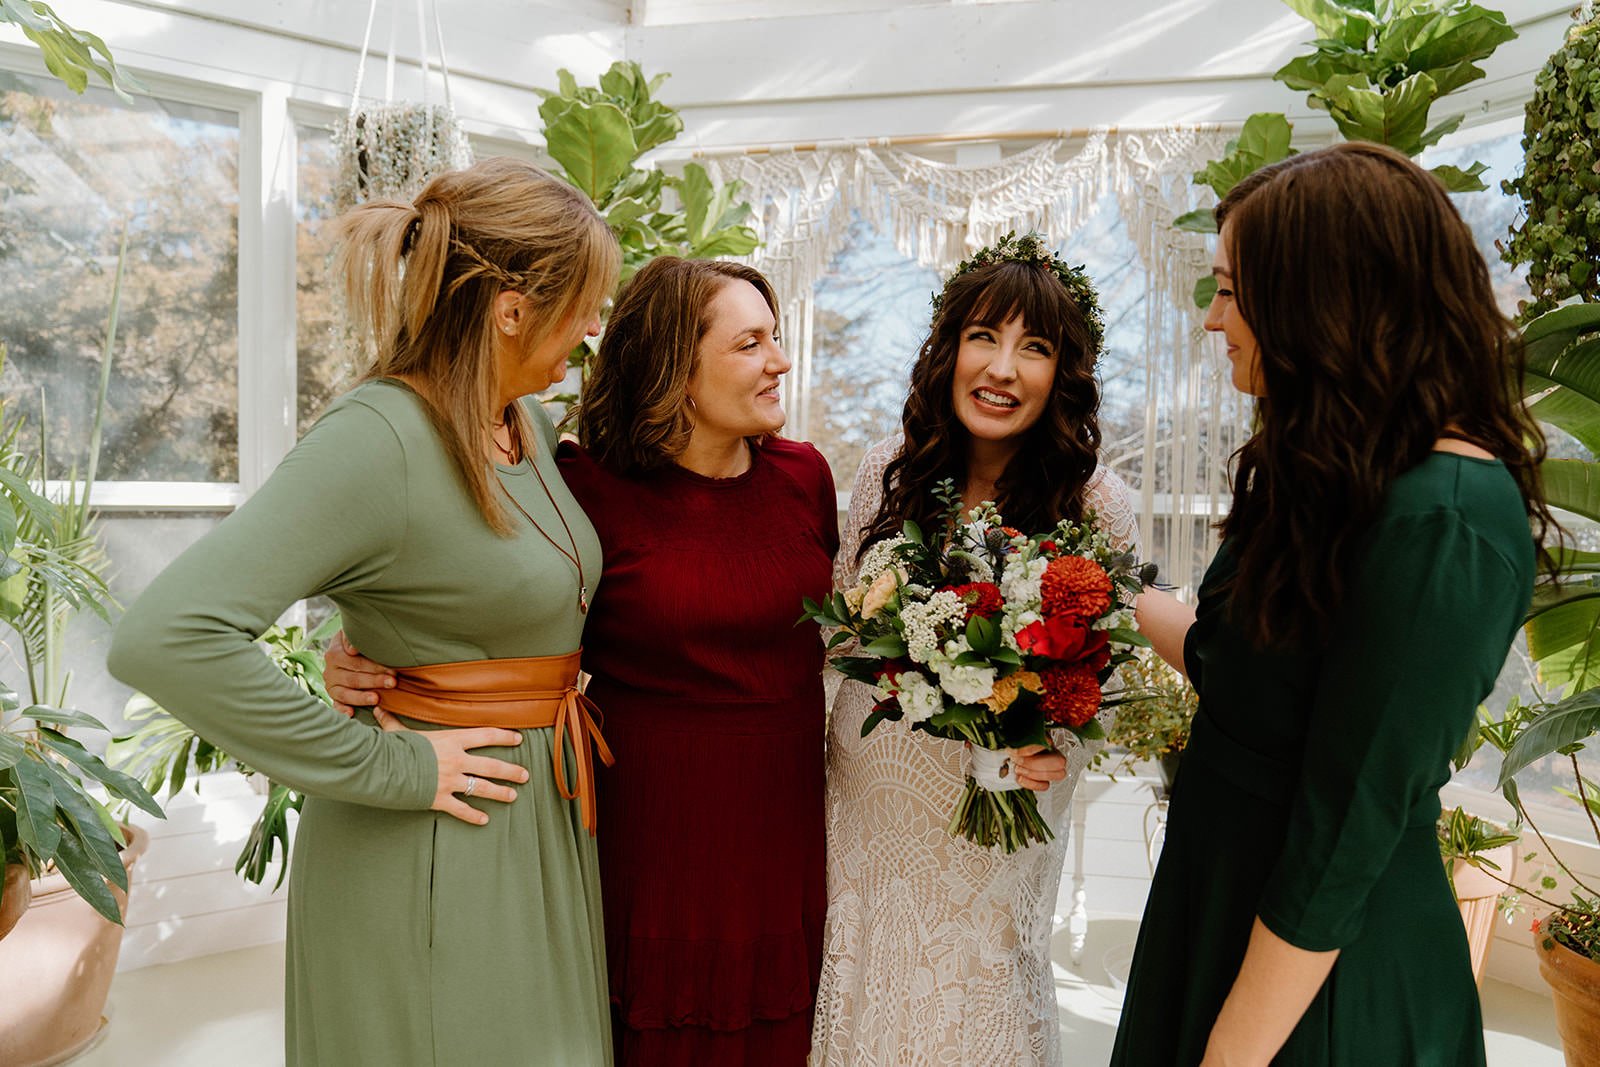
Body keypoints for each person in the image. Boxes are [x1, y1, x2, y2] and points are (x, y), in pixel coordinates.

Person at [107, 157, 622, 1065]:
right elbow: (167, 637)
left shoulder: (525, 424)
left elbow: (446, 581)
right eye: (582, 302)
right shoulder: (377, 437)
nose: (591, 327)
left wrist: (366, 635)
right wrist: (387, 765)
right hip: (433, 844)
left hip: (539, 827)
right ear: (510, 309)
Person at [324, 256, 838, 1065]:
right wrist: (363, 651)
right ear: (678, 368)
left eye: (774, 338)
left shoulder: (805, 477)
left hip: (781, 820)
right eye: (750, 344)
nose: (779, 360)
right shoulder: (583, 487)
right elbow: (492, 602)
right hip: (648, 825)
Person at [1112, 141, 1551, 1066]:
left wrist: (1233, 1052)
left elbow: (1346, 826)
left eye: (1231, 290)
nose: (1211, 321)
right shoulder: (1331, 471)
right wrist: (1112, 594)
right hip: (1219, 907)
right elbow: (1247, 671)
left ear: (1324, 298)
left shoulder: (1446, 524)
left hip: (1319, 978)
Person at [811, 233, 1139, 1066]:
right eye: (984, 337)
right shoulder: (888, 470)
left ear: (1062, 374)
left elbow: (1094, 676)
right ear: (948, 349)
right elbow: (844, 632)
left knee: (978, 989)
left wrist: (1046, 738)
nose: (1002, 367)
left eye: (1035, 347)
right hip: (870, 798)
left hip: (997, 817)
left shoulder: (1096, 506)